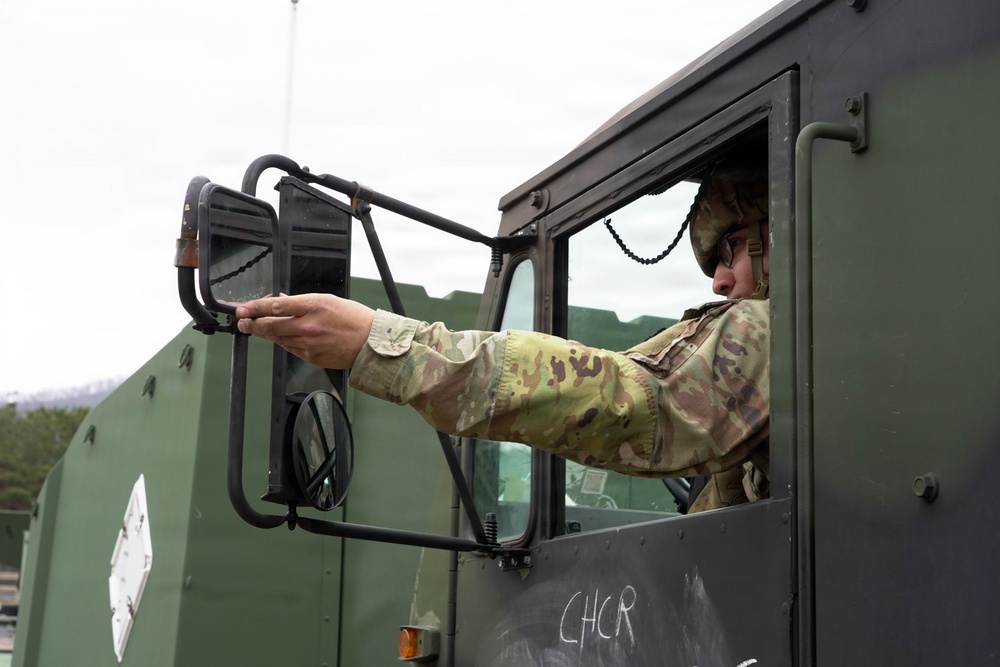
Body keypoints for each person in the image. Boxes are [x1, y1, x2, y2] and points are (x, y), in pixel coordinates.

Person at [235, 159, 770, 513]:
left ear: (782, 236)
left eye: (732, 248)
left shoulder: (774, 326)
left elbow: (631, 400)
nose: (721, 280)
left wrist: (376, 343)